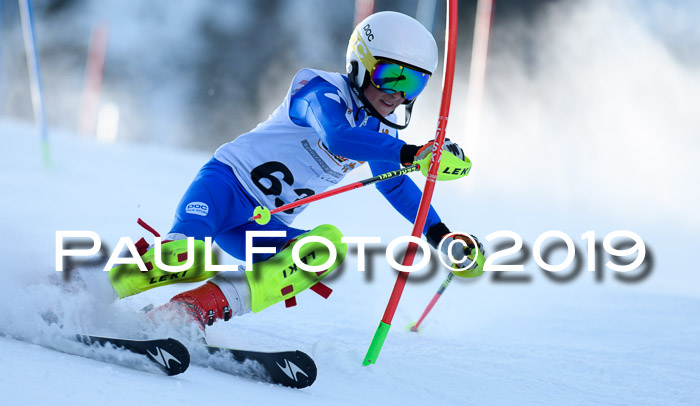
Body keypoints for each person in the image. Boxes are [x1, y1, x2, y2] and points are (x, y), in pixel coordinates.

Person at [108, 11, 484, 331]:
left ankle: (189, 312)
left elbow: (397, 187)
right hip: (224, 189)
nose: (398, 94)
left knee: (322, 250)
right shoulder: (318, 88)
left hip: (260, 223)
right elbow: (338, 137)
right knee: (187, 257)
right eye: (391, 76)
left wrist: (442, 237)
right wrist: (413, 152)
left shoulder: (381, 132)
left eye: (413, 82)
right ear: (360, 64)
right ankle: (86, 288)